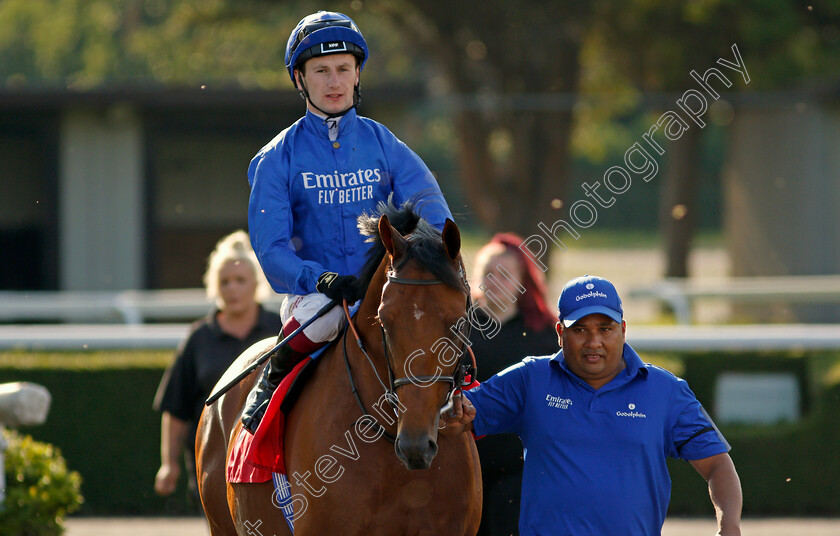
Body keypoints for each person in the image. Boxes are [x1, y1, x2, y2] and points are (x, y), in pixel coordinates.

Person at [241, 10, 452, 433]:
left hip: (385, 289)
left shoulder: (383, 142)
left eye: (343, 69)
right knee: (328, 317)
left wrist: (439, 260)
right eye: (320, 71)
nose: (334, 82)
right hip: (315, 296)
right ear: (300, 80)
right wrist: (321, 280)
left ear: (358, 75)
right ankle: (269, 386)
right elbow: (271, 250)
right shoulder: (275, 159)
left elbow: (432, 207)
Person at [445, 275, 742, 536]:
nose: (594, 341)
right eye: (580, 330)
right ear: (560, 334)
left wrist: (728, 528)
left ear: (623, 330)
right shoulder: (530, 379)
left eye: (605, 328)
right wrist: (456, 409)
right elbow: (456, 415)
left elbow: (717, 463)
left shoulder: (666, 391)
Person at [153, 231, 282, 501]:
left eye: (240, 280)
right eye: (225, 282)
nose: (232, 288)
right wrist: (169, 463)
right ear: (214, 286)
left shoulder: (281, 330)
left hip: (270, 457)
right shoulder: (198, 337)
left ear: (256, 284)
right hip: (211, 461)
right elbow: (176, 408)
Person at [468, 233, 558, 536]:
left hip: (523, 470)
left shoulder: (547, 336)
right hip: (465, 466)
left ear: (523, 281)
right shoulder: (456, 333)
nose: (495, 281)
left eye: (505, 274)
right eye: (488, 273)